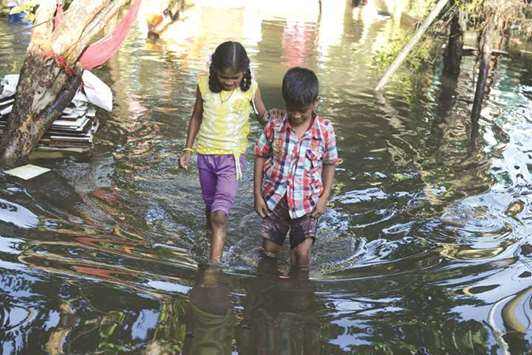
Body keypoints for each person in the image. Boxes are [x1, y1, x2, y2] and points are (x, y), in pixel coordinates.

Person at [179, 41, 267, 264]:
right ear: (214, 71)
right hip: (205, 157)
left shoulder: (251, 89)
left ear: (244, 72)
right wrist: (188, 149)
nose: (229, 82)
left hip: (232, 159)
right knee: (210, 208)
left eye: (235, 78)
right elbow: (196, 116)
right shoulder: (203, 86)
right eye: (224, 77)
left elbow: (263, 116)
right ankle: (211, 240)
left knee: (219, 215)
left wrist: (274, 124)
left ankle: (213, 268)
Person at [254, 67, 339, 268]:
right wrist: (257, 194)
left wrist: (324, 198)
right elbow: (259, 155)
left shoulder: (325, 130)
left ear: (315, 102)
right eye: (291, 109)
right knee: (269, 253)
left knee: (301, 255)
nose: (297, 115)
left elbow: (330, 163)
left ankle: (299, 293)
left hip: (308, 202)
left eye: (303, 110)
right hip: (275, 199)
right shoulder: (275, 124)